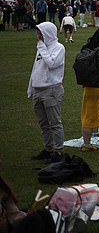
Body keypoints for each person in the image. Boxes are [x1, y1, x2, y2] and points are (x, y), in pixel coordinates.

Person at [28, 21, 65, 162]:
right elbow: (36, 68)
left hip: (51, 90)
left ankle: (59, 151)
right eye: (38, 33)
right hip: (38, 90)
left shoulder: (58, 48)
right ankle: (48, 149)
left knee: (54, 122)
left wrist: (42, 47)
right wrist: (31, 87)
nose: (38, 36)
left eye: (41, 33)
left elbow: (52, 63)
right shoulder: (41, 48)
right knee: (43, 123)